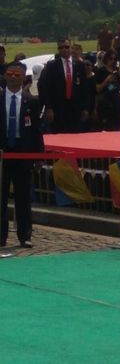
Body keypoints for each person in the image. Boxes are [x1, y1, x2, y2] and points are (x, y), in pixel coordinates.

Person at [1, 62, 44, 248]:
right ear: (4, 76)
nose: (13, 77)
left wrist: (38, 156)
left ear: (23, 77)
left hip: (22, 152)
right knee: (1, 196)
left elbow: (36, 131)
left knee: (23, 196)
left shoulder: (31, 101)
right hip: (3, 153)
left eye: (17, 74)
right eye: (9, 73)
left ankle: (25, 235)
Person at [37, 38, 90, 133]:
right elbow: (45, 88)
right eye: (61, 47)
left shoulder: (79, 65)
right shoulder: (52, 66)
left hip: (75, 108)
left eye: (66, 47)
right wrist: (48, 107)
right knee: (59, 133)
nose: (64, 49)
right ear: (58, 49)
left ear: (70, 48)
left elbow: (85, 88)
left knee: (75, 135)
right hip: (58, 108)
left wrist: (86, 108)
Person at [95, 50, 120, 131]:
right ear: (106, 59)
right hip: (106, 103)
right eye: (110, 59)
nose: (112, 61)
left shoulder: (116, 71)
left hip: (116, 102)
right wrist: (106, 81)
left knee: (116, 127)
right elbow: (97, 89)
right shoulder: (101, 71)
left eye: (114, 59)